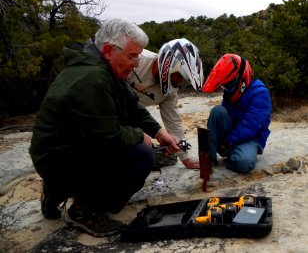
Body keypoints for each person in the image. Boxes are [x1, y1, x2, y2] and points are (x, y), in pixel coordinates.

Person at [29, 18, 180, 237]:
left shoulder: (105, 69)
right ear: (109, 50)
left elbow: (132, 106)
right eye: (132, 56)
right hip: (58, 159)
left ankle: (57, 189)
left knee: (139, 147)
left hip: (59, 153)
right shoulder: (94, 79)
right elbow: (106, 138)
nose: (137, 63)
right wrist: (140, 136)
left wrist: (159, 132)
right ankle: (82, 210)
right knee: (142, 156)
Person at [129, 38, 205, 169]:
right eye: (180, 76)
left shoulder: (170, 93)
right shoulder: (137, 60)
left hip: (132, 119)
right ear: (169, 65)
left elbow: (173, 122)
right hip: (104, 114)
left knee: (164, 156)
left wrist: (186, 159)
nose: (180, 81)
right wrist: (138, 133)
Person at [201, 53, 271, 173]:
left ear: (241, 78)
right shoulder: (231, 93)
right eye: (224, 86)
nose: (226, 88)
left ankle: (233, 153)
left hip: (251, 138)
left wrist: (228, 142)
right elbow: (224, 114)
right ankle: (211, 159)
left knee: (244, 162)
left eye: (228, 85)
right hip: (232, 135)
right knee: (217, 111)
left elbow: (251, 126)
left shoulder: (260, 93)